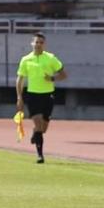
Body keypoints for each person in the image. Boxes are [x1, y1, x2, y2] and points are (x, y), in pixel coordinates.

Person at [14, 31, 67, 164]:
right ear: (32, 43)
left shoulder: (50, 58)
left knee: (43, 128)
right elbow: (20, 79)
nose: (38, 45)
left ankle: (35, 133)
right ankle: (40, 155)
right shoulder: (26, 60)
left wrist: (52, 78)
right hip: (32, 95)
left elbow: (64, 74)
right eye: (36, 42)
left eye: (41, 43)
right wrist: (19, 97)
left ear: (44, 45)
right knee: (38, 123)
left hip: (48, 95)